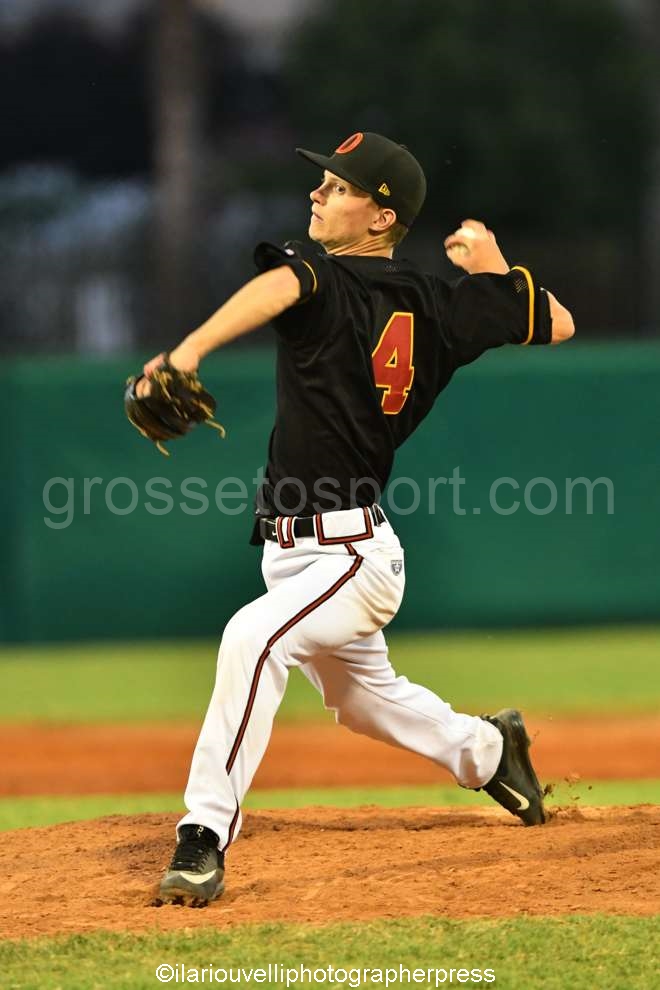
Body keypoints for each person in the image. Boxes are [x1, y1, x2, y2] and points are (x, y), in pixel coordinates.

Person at [138, 131, 575, 906]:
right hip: (294, 555)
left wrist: (188, 351)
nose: (318, 193)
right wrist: (494, 270)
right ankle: (488, 749)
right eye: (324, 182)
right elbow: (558, 321)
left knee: (252, 638)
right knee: (362, 702)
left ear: (382, 216)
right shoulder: (444, 305)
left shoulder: (324, 280)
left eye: (339, 186)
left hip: (352, 557)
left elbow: (279, 286)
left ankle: (203, 836)